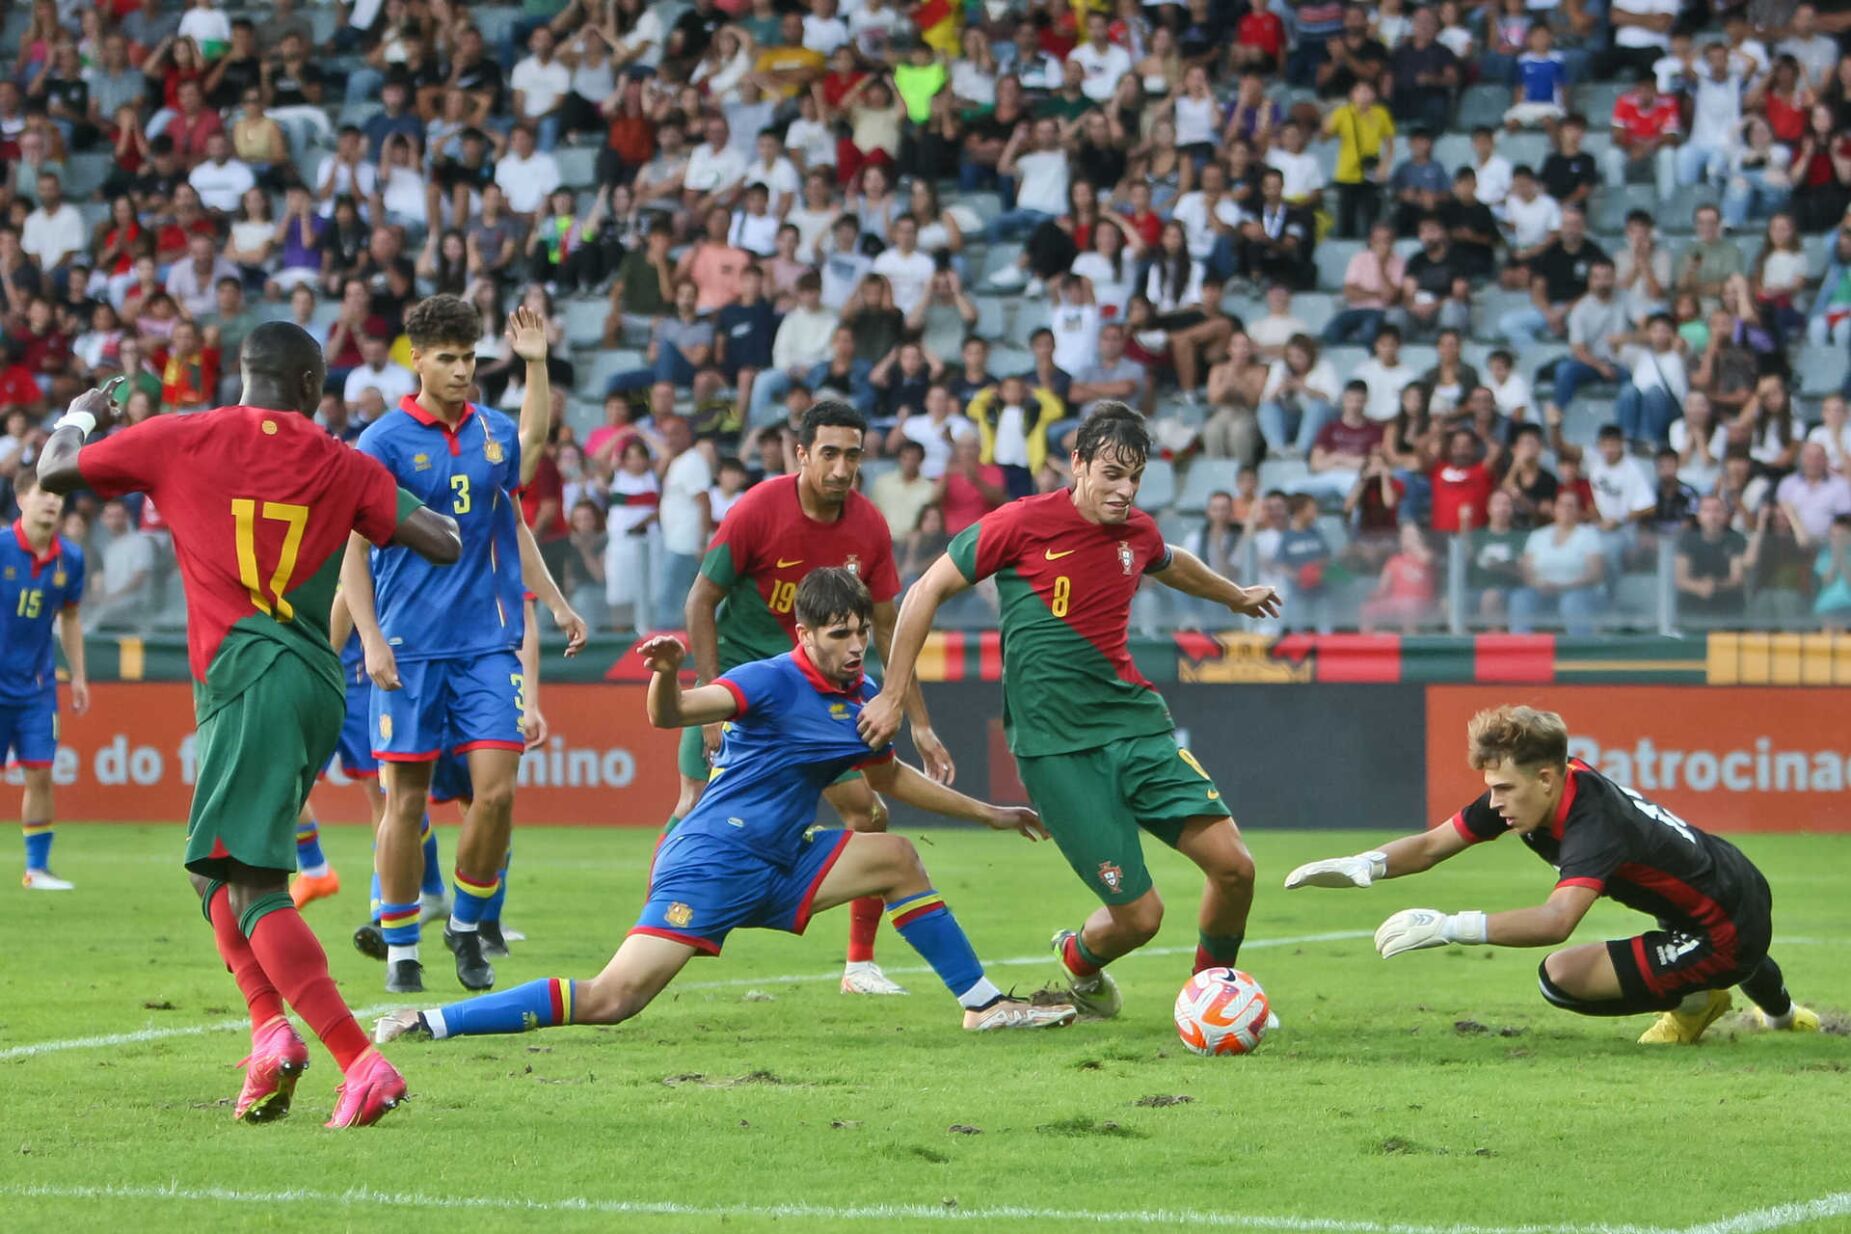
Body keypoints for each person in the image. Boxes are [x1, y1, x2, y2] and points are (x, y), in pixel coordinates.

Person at [35, 328, 463, 1127]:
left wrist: (82, 415)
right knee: (212, 870)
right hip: (313, 681)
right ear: (308, 383)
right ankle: (271, 1033)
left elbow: (55, 471)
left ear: (244, 377)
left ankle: (355, 1059)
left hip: (246, 677)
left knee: (253, 881)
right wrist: (389, 494)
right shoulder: (344, 462)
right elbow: (443, 540)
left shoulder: (181, 436)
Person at [375, 569, 1076, 1047]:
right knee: (614, 1000)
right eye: (837, 633)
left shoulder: (858, 695)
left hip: (783, 860)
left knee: (894, 856)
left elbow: (888, 777)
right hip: (711, 860)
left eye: (859, 629)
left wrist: (990, 813)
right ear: (803, 634)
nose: (855, 643)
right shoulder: (768, 681)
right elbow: (674, 714)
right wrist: (665, 675)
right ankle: (431, 1021)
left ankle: (981, 1005)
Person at [860, 405, 1282, 1021]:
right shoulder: (1020, 523)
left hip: (1137, 727)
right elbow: (925, 591)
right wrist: (894, 696)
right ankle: (1080, 959)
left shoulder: (1136, 531)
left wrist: (1235, 595)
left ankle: (1213, 996)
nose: (1124, 491)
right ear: (1077, 463)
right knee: (1141, 918)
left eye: (1134, 478)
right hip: (1056, 749)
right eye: (1112, 474)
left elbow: (1171, 559)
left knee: (1236, 868)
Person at [1284, 705, 1821, 1044]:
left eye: (1503, 789)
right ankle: (1783, 1014)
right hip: (1731, 886)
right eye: (1491, 787)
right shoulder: (1545, 788)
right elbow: (1428, 847)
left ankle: (1697, 1002)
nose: (1494, 802)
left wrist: (1452, 926)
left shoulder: (1594, 824)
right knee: (1722, 931)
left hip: (1721, 928)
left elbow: (1557, 920)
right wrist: (1366, 865)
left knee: (1559, 978)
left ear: (1545, 777)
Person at [343, 297, 586, 996]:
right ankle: (399, 953)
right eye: (445, 358)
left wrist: (560, 604)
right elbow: (354, 552)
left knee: (497, 793)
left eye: (468, 357)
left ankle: (468, 923)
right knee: (406, 805)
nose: (458, 370)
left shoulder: (493, 432)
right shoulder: (383, 443)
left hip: (487, 647)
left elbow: (512, 518)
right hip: (410, 650)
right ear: (415, 359)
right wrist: (371, 640)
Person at [679, 400, 950, 996]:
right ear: (800, 454)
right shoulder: (756, 509)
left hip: (810, 703)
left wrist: (919, 723)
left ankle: (858, 965)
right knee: (692, 806)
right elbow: (701, 601)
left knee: (871, 815)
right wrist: (706, 699)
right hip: (739, 691)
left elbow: (889, 629)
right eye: (829, 453)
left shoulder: (869, 525)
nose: (841, 466)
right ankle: (661, 926)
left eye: (853, 454)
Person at [1, 470, 87, 890]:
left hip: (36, 688)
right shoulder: (0, 548)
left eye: (58, 495)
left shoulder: (69, 558)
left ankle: (36, 869)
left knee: (40, 773)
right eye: (43, 494)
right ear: (21, 499)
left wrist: (79, 676)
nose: (52, 502)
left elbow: (70, 617)